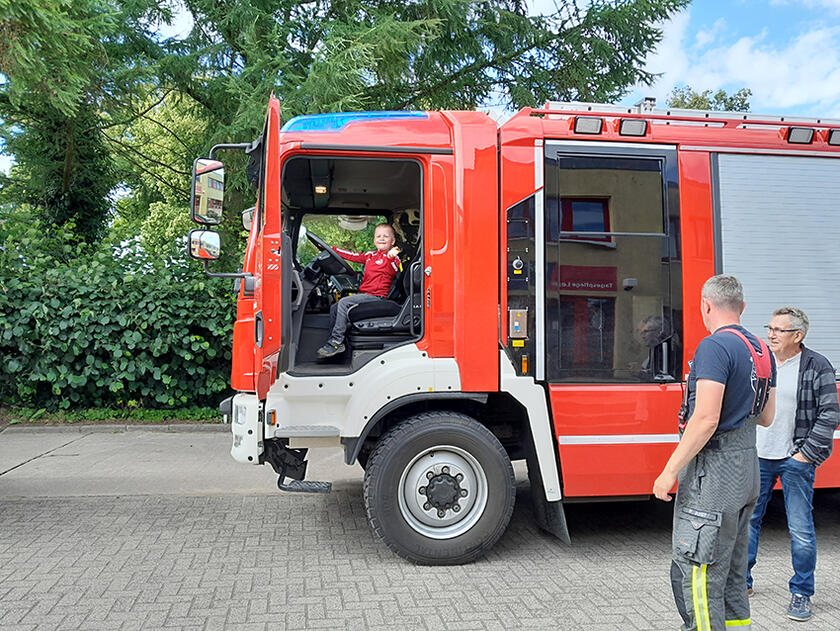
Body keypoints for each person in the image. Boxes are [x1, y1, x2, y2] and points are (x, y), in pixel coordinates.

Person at [653, 274, 776, 631]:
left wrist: (669, 471)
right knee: (732, 573)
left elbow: (705, 418)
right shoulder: (761, 349)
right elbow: (766, 417)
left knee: (699, 573)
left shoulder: (714, 347)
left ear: (705, 305)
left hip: (714, 475)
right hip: (747, 469)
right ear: (743, 307)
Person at [747, 307, 840, 622]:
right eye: (769, 328)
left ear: (797, 336)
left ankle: (801, 592)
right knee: (748, 522)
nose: (770, 334)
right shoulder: (761, 361)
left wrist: (805, 455)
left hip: (795, 459)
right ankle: (741, 583)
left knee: (800, 530)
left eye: (778, 330)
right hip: (758, 456)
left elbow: (829, 414)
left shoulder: (817, 365)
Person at [317, 223, 400, 358]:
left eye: (386, 236)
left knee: (344, 303)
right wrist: (331, 249)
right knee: (335, 307)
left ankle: (336, 341)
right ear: (374, 240)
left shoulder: (393, 258)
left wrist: (390, 258)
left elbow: (392, 270)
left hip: (377, 296)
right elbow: (353, 255)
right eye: (378, 236)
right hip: (365, 294)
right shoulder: (370, 255)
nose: (382, 238)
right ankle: (336, 342)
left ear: (393, 241)